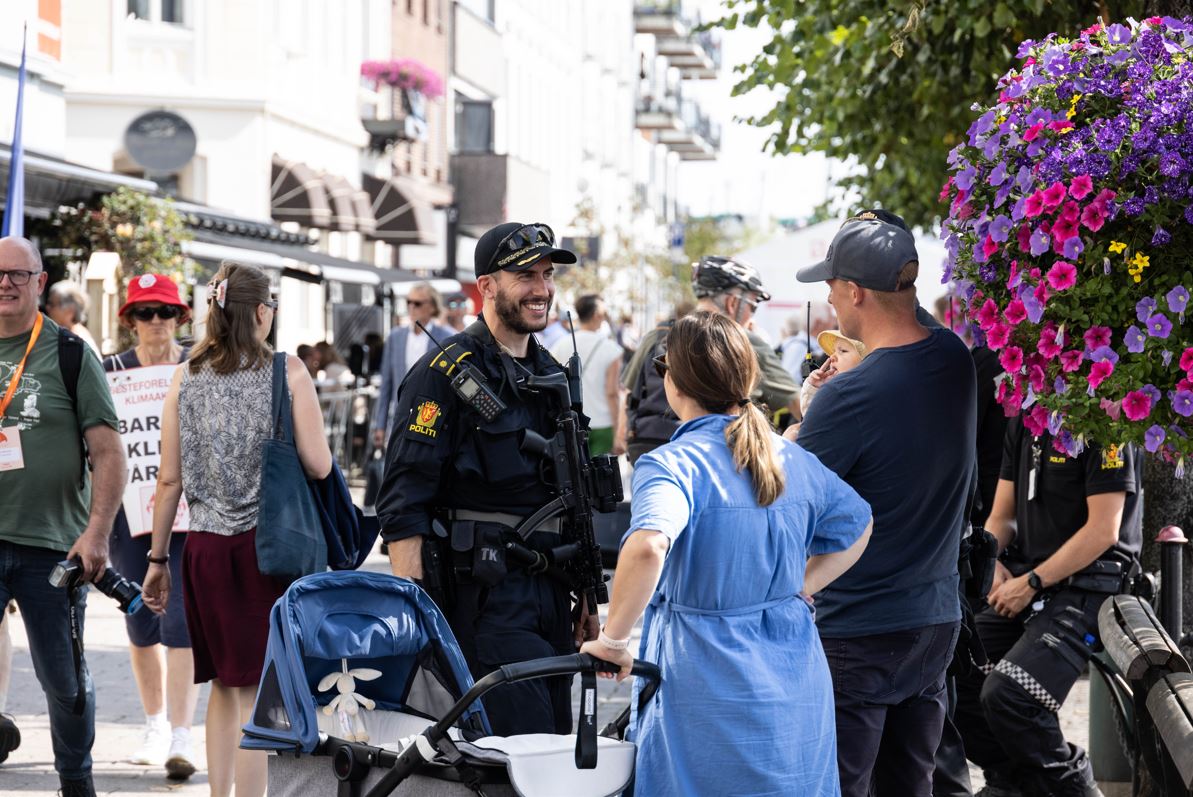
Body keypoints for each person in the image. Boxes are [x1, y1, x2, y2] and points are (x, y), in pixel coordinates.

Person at [581, 312, 872, 795]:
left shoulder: (674, 463)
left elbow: (649, 546)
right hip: (794, 674)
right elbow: (859, 526)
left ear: (675, 382)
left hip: (706, 679)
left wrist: (612, 643)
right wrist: (800, 587)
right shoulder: (790, 456)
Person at [375, 221, 596, 736]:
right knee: (514, 759)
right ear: (488, 287)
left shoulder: (554, 379)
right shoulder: (444, 374)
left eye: (547, 275)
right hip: (484, 597)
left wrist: (587, 594)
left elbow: (573, 499)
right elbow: (403, 499)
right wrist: (417, 614)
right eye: (525, 276)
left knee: (555, 753)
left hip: (550, 598)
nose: (541, 288)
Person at [793, 216, 977, 797]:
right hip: (934, 620)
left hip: (859, 628)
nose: (826, 296)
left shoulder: (846, 396)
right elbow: (911, 329)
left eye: (831, 285)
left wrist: (807, 412)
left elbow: (798, 508)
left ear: (855, 292)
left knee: (842, 786)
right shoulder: (953, 359)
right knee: (911, 784)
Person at [141, 262, 331, 797]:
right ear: (264, 312)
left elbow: (169, 477)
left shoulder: (186, 375)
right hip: (264, 549)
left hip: (202, 550)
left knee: (223, 687)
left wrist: (158, 561)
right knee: (256, 694)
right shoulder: (287, 372)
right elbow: (318, 466)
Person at [0, 236, 127, 797]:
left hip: (52, 545)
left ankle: (75, 782)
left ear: (39, 281)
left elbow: (108, 452)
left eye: (16, 275)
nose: (4, 283)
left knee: (65, 681)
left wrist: (97, 533)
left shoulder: (70, 352)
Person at [954, 421, 1141, 797]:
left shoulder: (1105, 421)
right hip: (1030, 579)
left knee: (1011, 695)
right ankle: (1013, 784)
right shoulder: (1024, 419)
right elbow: (1003, 515)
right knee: (955, 674)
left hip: (1091, 586)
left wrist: (1034, 581)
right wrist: (993, 563)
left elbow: (1104, 530)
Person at [102, 274, 200, 779]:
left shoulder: (199, 364)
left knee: (182, 620)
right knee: (140, 618)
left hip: (190, 515)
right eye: (145, 313)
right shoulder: (109, 369)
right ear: (130, 320)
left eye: (165, 312)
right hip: (128, 515)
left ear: (181, 316)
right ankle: (155, 723)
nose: (156, 322)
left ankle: (183, 732)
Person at [620, 256, 799, 463]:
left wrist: (624, 437)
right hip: (717, 457)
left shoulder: (657, 335)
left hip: (648, 446)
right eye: (753, 305)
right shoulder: (745, 342)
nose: (752, 315)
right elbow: (799, 405)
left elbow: (629, 392)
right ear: (733, 303)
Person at [371, 283, 453, 450]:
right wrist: (380, 425)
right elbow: (386, 382)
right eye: (408, 302)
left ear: (431, 306)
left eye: (417, 303)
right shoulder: (395, 336)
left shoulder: (445, 337)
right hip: (400, 415)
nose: (411, 307)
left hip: (431, 417)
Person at [549, 293, 622, 456]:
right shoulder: (611, 349)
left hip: (572, 422)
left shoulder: (560, 345)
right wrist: (618, 431)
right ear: (598, 315)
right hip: (603, 424)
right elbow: (612, 392)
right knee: (602, 477)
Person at [799, 329, 866, 417]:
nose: (832, 357)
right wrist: (815, 389)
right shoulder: (835, 391)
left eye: (843, 351)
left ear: (865, 360)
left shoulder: (866, 395)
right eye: (833, 351)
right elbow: (812, 421)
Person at [46, 280, 100, 354]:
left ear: (70, 311)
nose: (47, 308)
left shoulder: (79, 341)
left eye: (52, 304)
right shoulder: (60, 334)